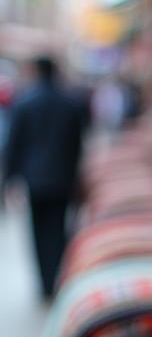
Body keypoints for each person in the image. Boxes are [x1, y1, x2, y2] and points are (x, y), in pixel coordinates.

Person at [4, 56, 86, 298]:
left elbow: (14, 144)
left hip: (35, 179)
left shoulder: (24, 103)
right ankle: (57, 276)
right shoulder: (69, 102)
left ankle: (44, 282)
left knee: (38, 232)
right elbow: (77, 144)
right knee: (58, 229)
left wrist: (10, 179)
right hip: (62, 177)